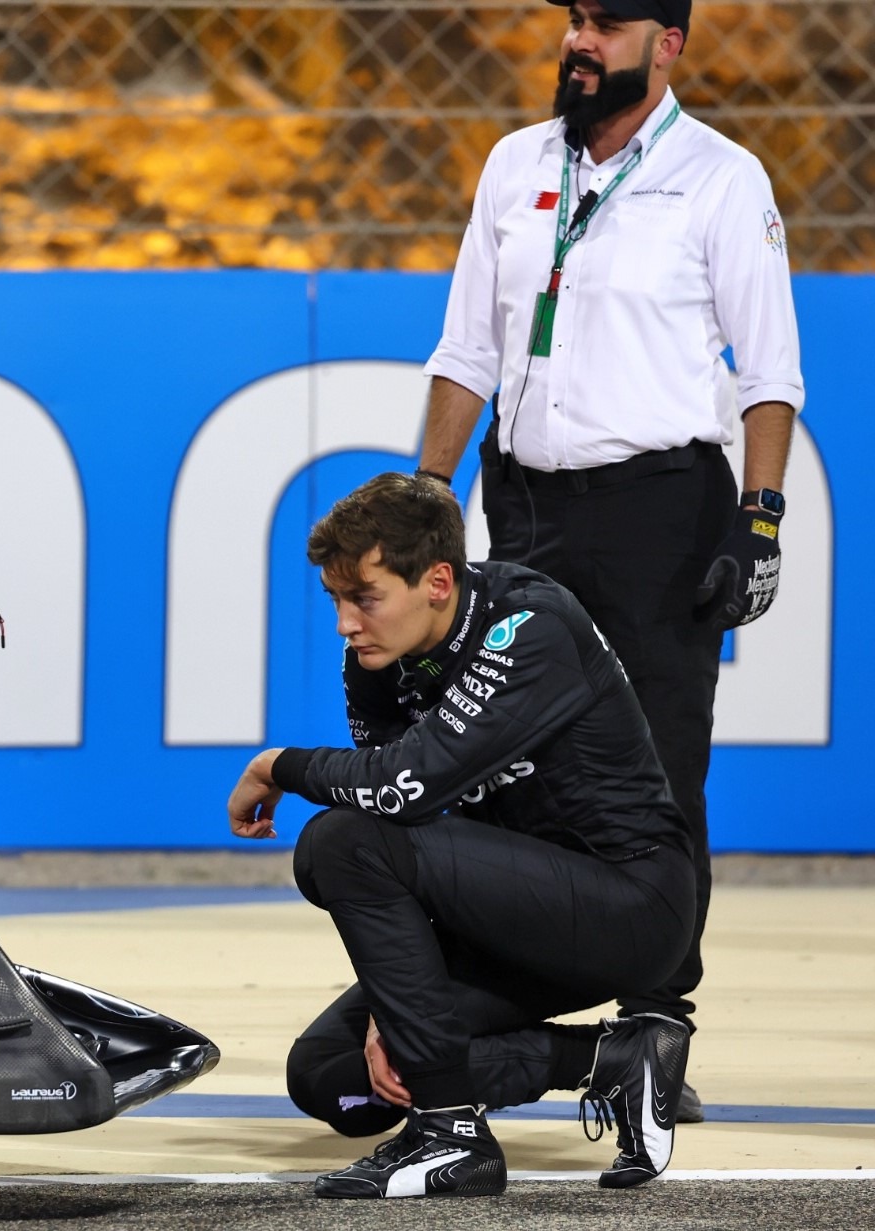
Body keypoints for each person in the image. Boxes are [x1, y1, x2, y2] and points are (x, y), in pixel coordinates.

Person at [414, 0, 803, 1120]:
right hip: (520, 501)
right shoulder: (512, 162)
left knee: (660, 769)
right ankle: (502, 1006)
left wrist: (760, 520)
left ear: (666, 45)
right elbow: (466, 346)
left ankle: (657, 1024)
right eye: (574, 20)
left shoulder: (721, 178)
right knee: (497, 754)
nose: (579, 42)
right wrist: (431, 495)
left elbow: (768, 370)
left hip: (656, 509)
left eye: (606, 25)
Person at [228, 473, 696, 1199]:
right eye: (337, 600)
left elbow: (401, 782)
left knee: (337, 842)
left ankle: (450, 1134)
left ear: (437, 580)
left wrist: (277, 765)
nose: (346, 624)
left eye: (365, 598)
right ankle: (614, 1060)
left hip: (628, 906)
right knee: (329, 1071)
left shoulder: (529, 623)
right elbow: (405, 815)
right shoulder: (377, 661)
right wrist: (397, 1004)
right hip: (507, 912)